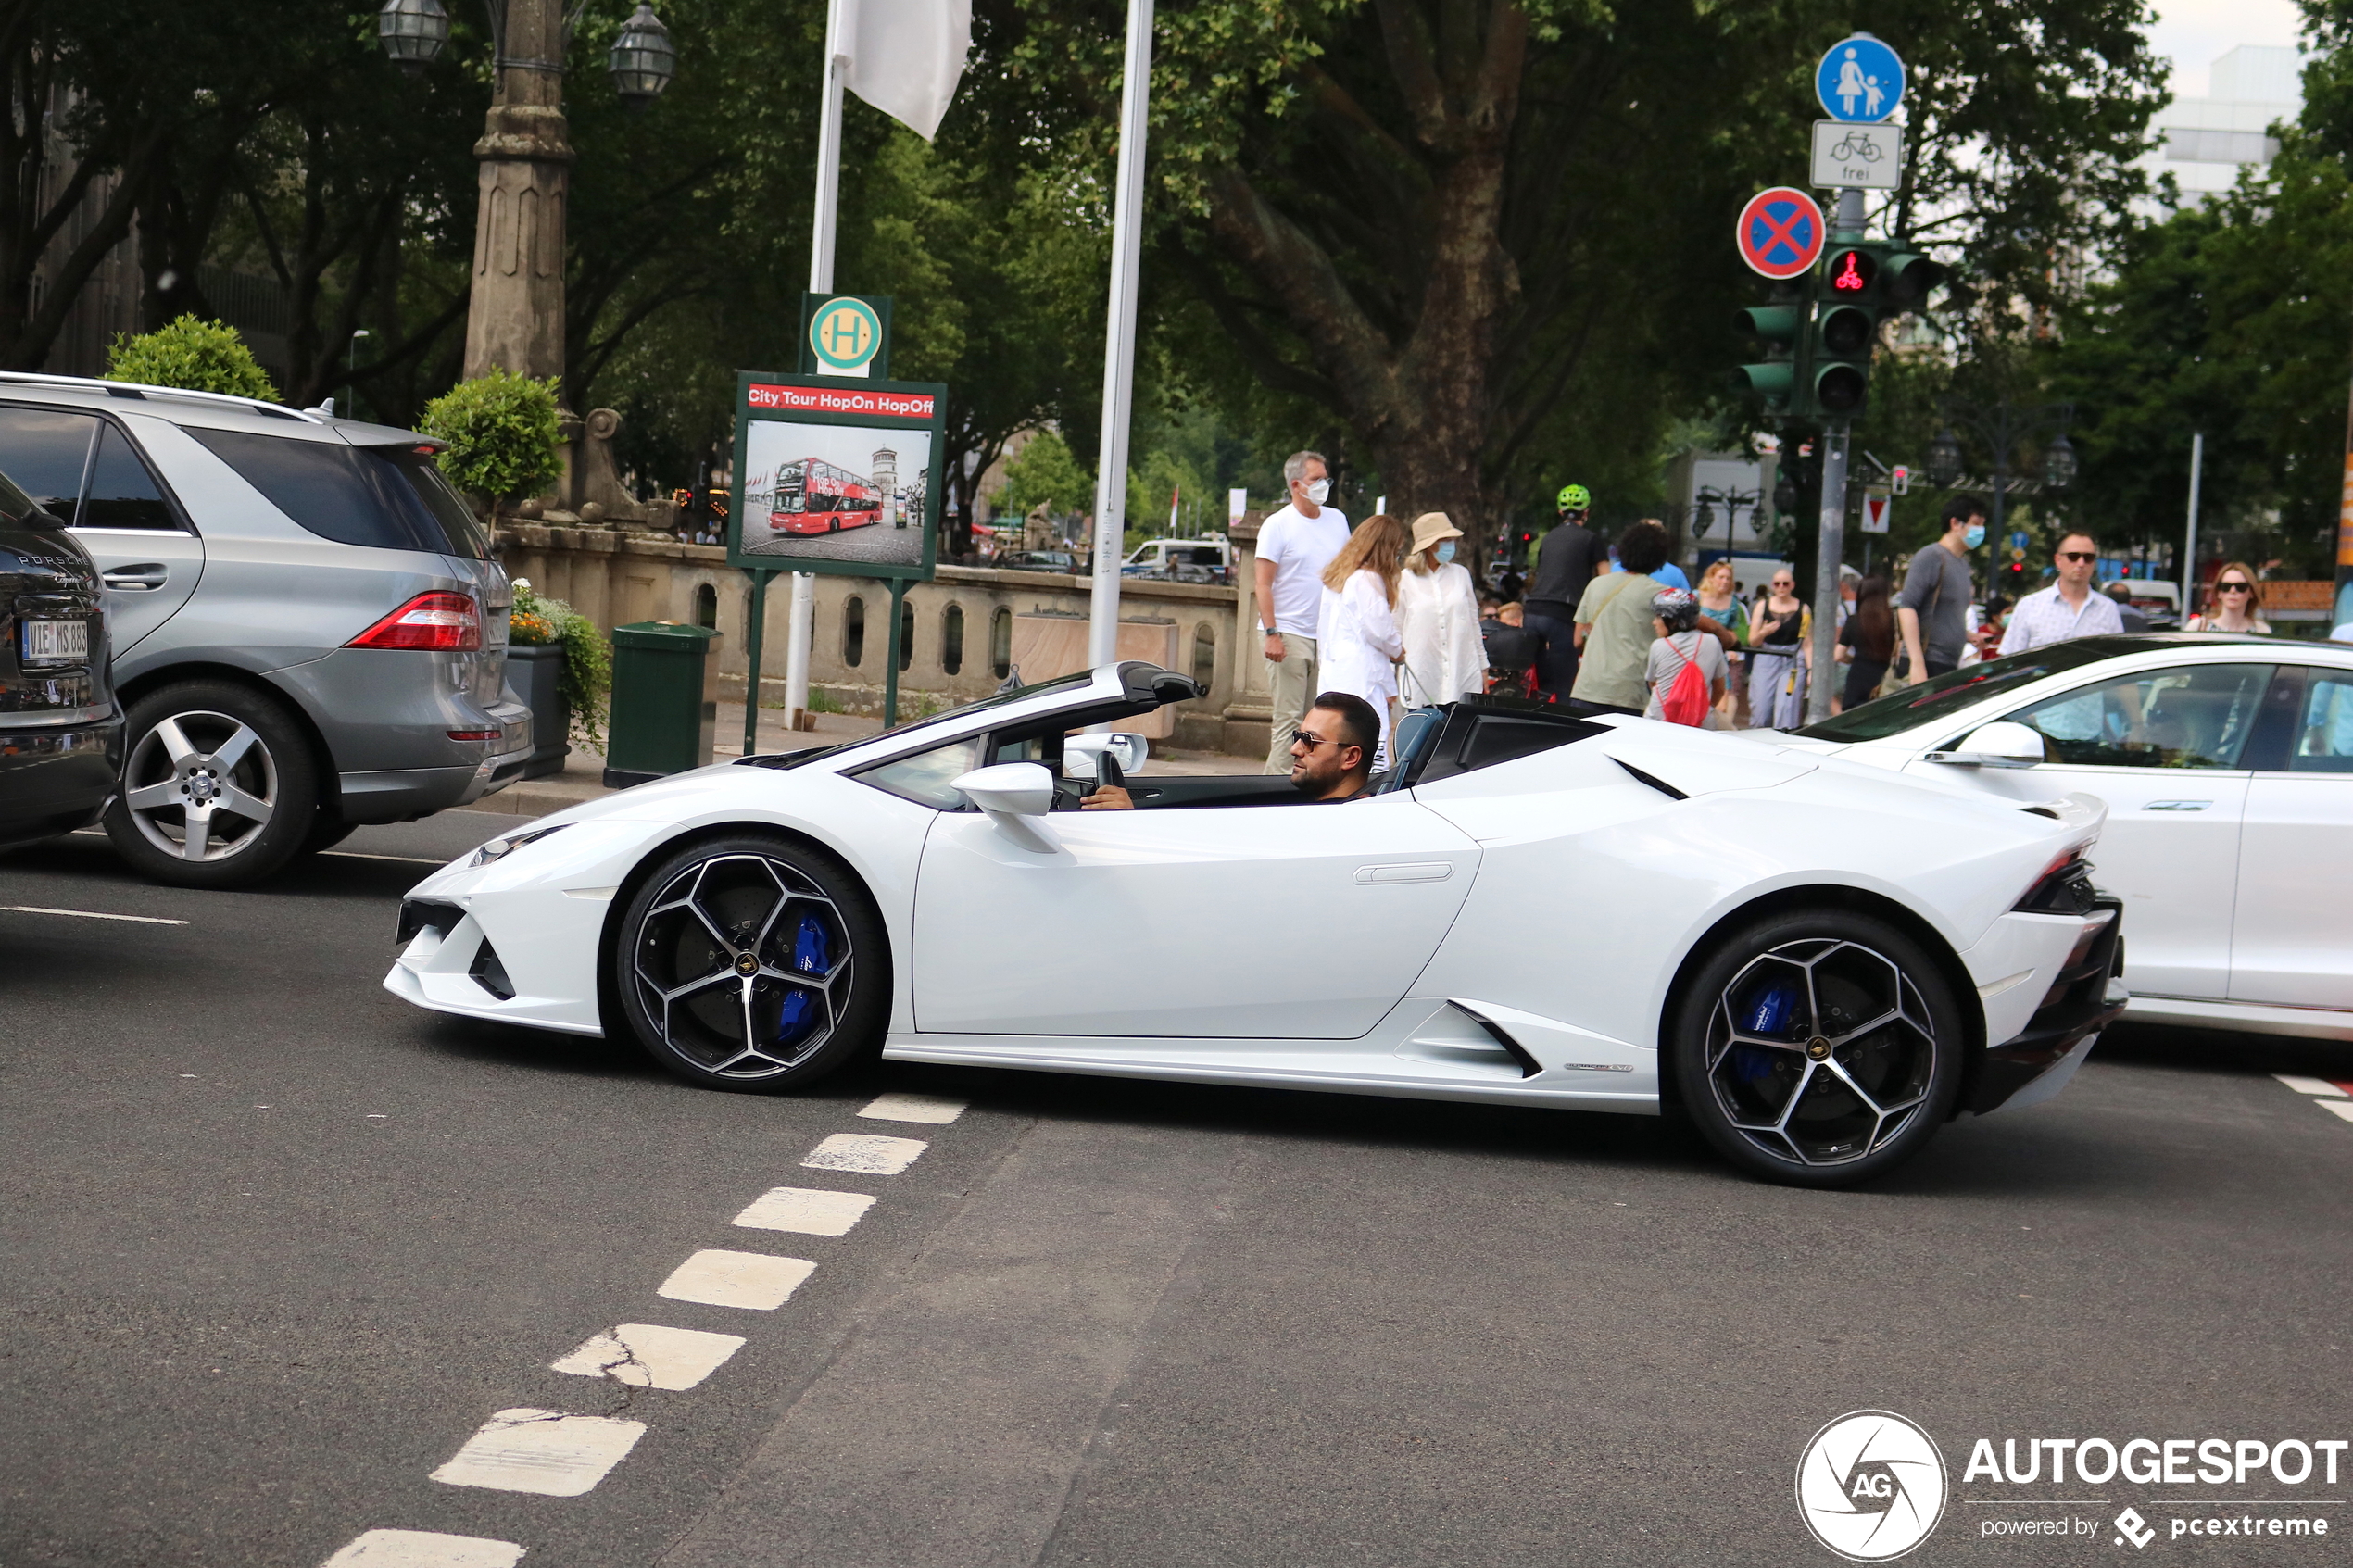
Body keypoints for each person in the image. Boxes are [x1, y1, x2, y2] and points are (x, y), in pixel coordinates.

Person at [1084, 692, 1379, 809]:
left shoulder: (1337, 821)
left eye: (1310, 741)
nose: (1294, 750)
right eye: (1297, 736)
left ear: (1351, 757)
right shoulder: (1316, 809)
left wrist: (1132, 819)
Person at [1253, 450, 1352, 771]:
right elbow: (1263, 584)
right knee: (1289, 721)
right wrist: (1272, 634)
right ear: (1297, 484)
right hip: (1289, 632)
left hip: (1325, 634)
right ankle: (1274, 788)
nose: (1324, 484)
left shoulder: (1337, 520)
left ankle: (1306, 782)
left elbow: (1347, 573)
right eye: (1316, 479)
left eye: (1326, 478)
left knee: (1318, 722)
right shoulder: (1278, 525)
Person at [1315, 511, 1412, 767]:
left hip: (1335, 670)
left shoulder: (1336, 579)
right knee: (1372, 743)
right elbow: (1379, 632)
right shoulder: (1367, 580)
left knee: (1334, 741)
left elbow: (1324, 631)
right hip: (1362, 677)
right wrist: (1398, 651)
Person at [1571, 518, 1676, 711]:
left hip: (1588, 688)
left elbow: (1578, 640)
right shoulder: (1661, 594)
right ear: (1659, 557)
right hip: (1630, 692)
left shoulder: (1596, 585)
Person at [1522, 483, 1608, 701]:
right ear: (1586, 512)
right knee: (1563, 686)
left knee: (1535, 682)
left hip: (1532, 612)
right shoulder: (1591, 539)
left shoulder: (1548, 538)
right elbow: (1605, 580)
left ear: (1560, 512)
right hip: (1563, 614)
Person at [1395, 511, 1486, 707]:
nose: (1450, 545)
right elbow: (1396, 628)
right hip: (1422, 674)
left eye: (1451, 540)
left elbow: (1473, 623)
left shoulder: (1461, 575)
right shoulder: (1405, 579)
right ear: (1428, 545)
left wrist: (1483, 666)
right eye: (1444, 540)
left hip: (1460, 672)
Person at [1896, 495, 1986, 683]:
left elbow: (1945, 613)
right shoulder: (1931, 556)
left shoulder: (1962, 565)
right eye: (1976, 524)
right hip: (1928, 663)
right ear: (1955, 523)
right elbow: (1907, 608)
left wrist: (1967, 636)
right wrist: (1917, 663)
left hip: (1948, 663)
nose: (1980, 531)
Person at [1999, 532, 2125, 654]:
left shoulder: (2108, 609)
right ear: (2058, 560)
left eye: (2088, 558)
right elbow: (2010, 659)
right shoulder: (2030, 606)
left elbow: (2116, 659)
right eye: (2073, 557)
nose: (2081, 563)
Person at [1643, 587, 1727, 725]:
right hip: (1700, 721)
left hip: (1659, 719)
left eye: (1659, 617)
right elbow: (1719, 688)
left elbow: (1653, 683)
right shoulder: (1712, 642)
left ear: (1674, 621)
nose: (1654, 622)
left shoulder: (1659, 646)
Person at [1746, 567, 1811, 729]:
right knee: (1761, 710)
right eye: (1777, 584)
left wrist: (1811, 670)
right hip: (1767, 656)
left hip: (1792, 659)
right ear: (1772, 586)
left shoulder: (1803, 608)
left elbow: (1808, 643)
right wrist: (1764, 632)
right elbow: (1752, 641)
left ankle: (1783, 740)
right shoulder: (1762, 606)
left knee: (1787, 709)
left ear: (1792, 585)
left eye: (1785, 584)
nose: (1781, 587)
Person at [1696, 558, 1750, 725]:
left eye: (1728, 578)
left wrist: (1733, 645)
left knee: (1721, 704)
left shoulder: (1733, 603)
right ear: (1711, 578)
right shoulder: (1697, 597)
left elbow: (1733, 632)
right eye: (1721, 577)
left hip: (1719, 655)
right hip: (1696, 654)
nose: (1725, 581)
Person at [1836, 573, 1895, 713]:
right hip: (1884, 679)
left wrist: (1853, 659)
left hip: (1858, 678)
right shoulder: (1893, 621)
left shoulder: (1853, 621)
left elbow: (1838, 655)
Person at [2186, 561, 2272, 633]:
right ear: (2219, 592)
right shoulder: (2199, 626)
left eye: (2240, 587)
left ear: (2251, 593)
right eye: (2226, 586)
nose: (2232, 591)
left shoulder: (2261, 630)